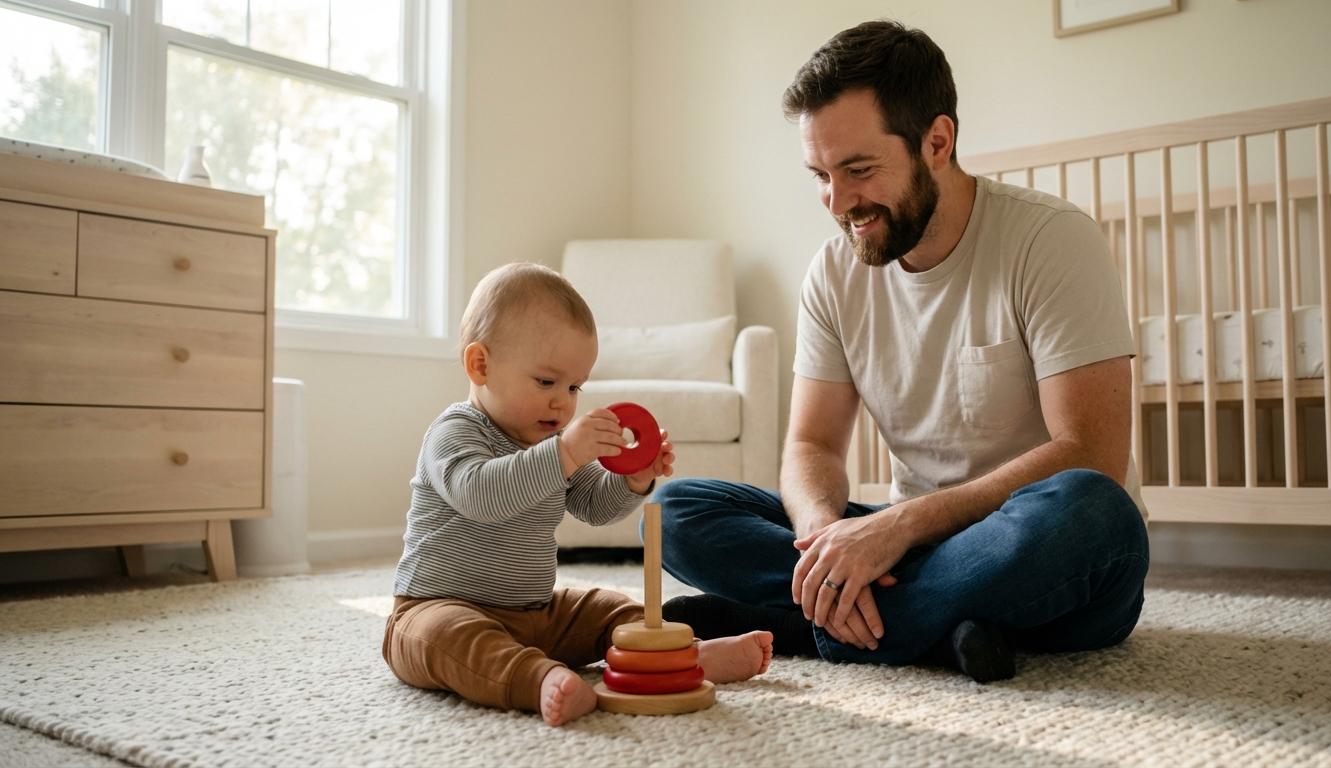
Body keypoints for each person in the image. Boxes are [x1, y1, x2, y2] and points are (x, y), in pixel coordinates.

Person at [657, 20, 1148, 683]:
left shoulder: (1050, 240)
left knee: (1093, 513)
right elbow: (812, 447)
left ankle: (807, 624)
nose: (838, 202)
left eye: (858, 170)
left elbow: (1091, 452)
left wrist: (898, 530)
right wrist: (828, 539)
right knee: (676, 511)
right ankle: (932, 625)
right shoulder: (833, 274)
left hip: (1032, 542)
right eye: (821, 175)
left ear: (937, 141)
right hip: (914, 546)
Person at [382, 263, 773, 726]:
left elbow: (593, 505)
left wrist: (633, 480)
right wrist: (565, 452)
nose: (563, 402)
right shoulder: (455, 433)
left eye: (574, 387)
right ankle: (538, 679)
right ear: (480, 365)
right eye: (546, 382)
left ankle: (676, 656)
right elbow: (481, 495)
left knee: (605, 605)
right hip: (436, 605)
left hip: (536, 614)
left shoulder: (548, 446)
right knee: (450, 636)